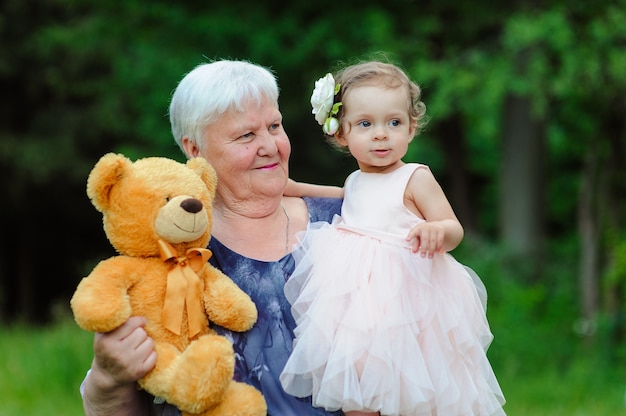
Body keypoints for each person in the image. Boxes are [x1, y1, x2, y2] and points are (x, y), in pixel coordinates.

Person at [79, 59, 345, 416]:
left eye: (274, 126)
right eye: (246, 135)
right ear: (195, 150)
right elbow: (117, 403)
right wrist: (107, 380)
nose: (270, 145)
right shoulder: (167, 251)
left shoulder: (344, 222)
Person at [279, 61, 506, 416]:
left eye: (394, 122)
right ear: (341, 133)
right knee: (357, 390)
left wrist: (437, 230)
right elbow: (337, 194)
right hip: (356, 305)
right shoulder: (354, 181)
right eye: (365, 124)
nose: (381, 134)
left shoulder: (415, 178)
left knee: (410, 392)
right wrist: (290, 187)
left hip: (406, 302)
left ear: (411, 129)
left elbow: (454, 228)